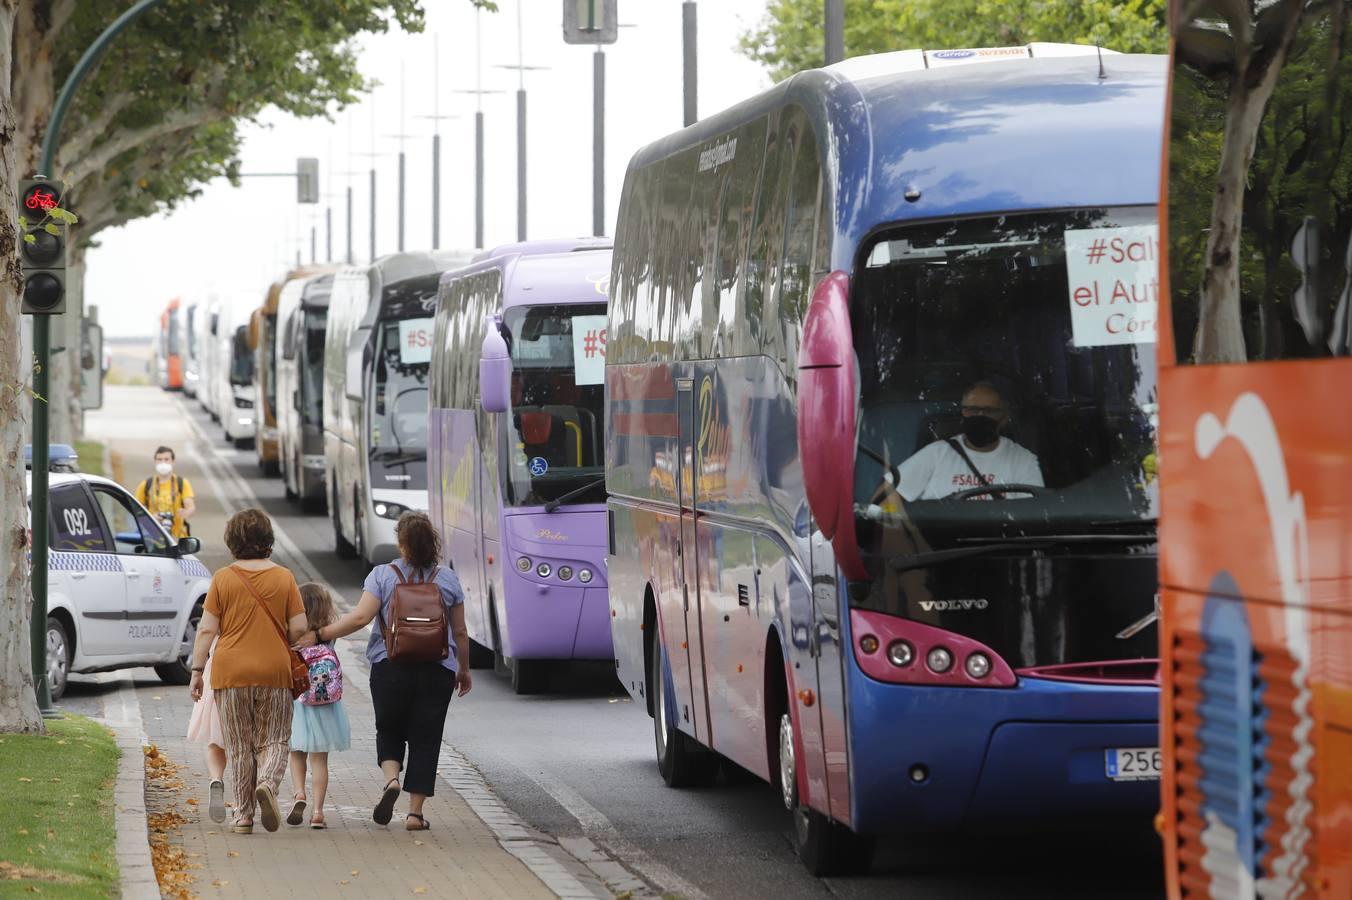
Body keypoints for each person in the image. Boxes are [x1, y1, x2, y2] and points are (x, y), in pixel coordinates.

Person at [295, 511, 471, 832]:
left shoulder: (383, 575)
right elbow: (460, 632)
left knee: (389, 728)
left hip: (390, 666)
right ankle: (415, 815)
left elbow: (360, 618)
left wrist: (320, 635)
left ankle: (391, 779)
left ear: (401, 543)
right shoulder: (447, 579)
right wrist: (464, 670)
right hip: (436, 670)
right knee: (426, 738)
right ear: (431, 542)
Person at [188, 509, 308, 835]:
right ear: (267, 540)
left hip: (230, 673)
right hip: (274, 671)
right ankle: (268, 783)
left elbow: (206, 631)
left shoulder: (223, 579)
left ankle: (242, 817)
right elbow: (299, 629)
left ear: (232, 541)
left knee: (240, 747)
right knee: (275, 740)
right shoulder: (284, 578)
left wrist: (198, 671)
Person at [896, 381, 1043, 500]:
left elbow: (1033, 512)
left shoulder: (1023, 460)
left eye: (989, 411)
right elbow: (887, 498)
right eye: (973, 410)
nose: (980, 416)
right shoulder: (936, 453)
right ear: (963, 413)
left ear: (1004, 418)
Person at [286, 583, 351, 830]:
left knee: (296, 754)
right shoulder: (327, 633)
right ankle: (317, 812)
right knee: (320, 761)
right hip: (325, 704)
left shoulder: (293, 636)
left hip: (298, 702)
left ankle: (299, 794)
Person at [185, 637, 227, 824]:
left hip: (216, 668)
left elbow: (205, 632)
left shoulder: (218, 605)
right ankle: (242, 805)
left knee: (215, 741)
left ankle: (216, 778)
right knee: (245, 746)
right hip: (247, 666)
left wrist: (197, 672)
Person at [135, 446, 196, 540]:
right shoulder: (146, 485)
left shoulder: (182, 483)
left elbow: (190, 506)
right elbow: (136, 509)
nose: (163, 462)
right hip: (153, 537)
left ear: (173, 462)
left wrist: (186, 512)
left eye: (166, 459)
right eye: (159, 459)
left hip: (177, 536)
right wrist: (150, 517)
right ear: (155, 461)